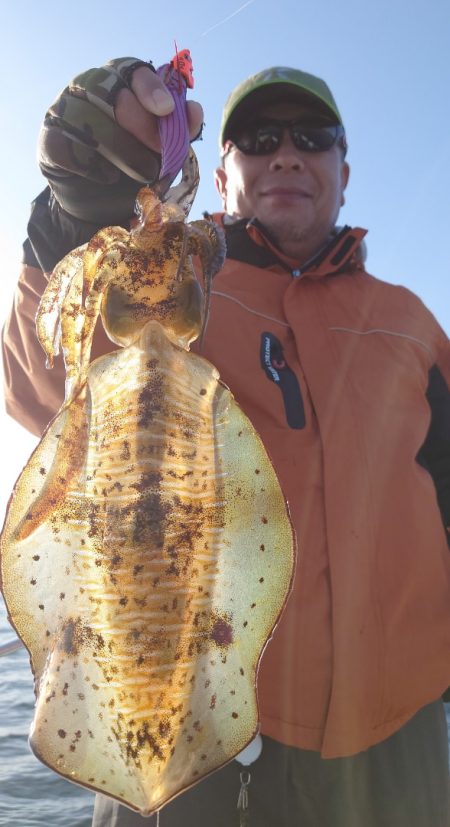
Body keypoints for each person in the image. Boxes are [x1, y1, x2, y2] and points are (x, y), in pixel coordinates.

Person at [2, 58, 450, 827]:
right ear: (220, 171)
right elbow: (43, 380)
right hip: (191, 738)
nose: (286, 153)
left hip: (398, 745)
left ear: (345, 171)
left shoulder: (412, 321)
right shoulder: (178, 288)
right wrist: (76, 205)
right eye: (257, 138)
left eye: (313, 138)